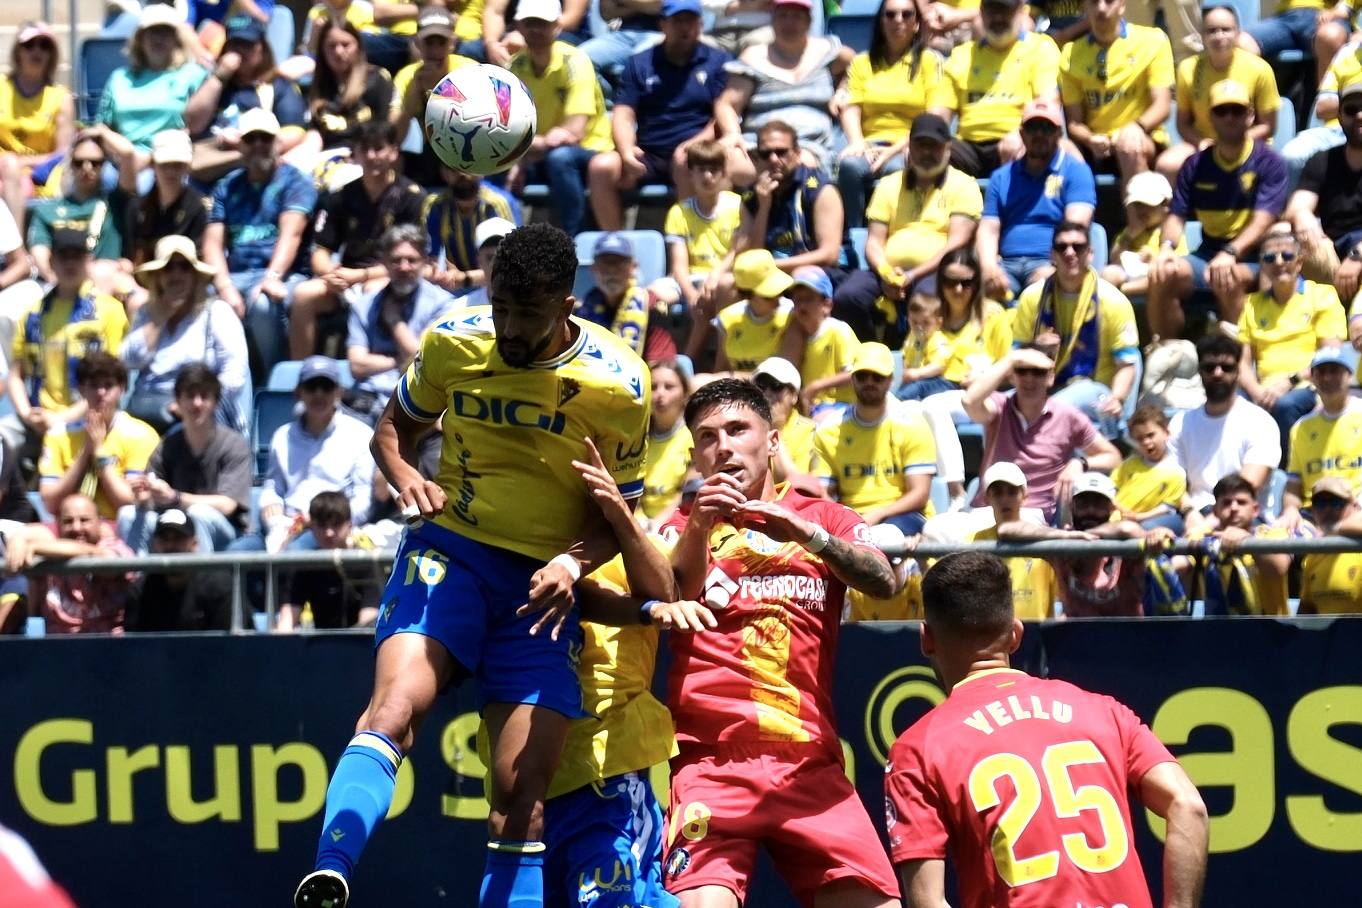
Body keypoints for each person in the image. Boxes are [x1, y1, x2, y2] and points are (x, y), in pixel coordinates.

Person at [294, 224, 651, 908]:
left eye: (528, 313)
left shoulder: (620, 384)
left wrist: (573, 564)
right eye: (500, 307)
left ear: (566, 306)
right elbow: (393, 430)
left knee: (520, 800)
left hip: (540, 586)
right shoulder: (453, 340)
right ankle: (331, 870)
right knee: (392, 711)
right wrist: (407, 478)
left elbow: (620, 515)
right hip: (449, 552)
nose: (509, 327)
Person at [659, 378, 901, 908]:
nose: (723, 447)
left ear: (772, 441)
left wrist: (808, 535)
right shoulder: (677, 527)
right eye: (707, 437)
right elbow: (662, 594)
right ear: (696, 456)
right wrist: (699, 525)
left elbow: (885, 581)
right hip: (711, 764)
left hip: (807, 763)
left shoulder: (825, 518)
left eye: (738, 430)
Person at [884, 550, 1208, 907]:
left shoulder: (918, 748)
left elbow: (928, 902)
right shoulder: (1104, 711)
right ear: (1015, 634)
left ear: (926, 639)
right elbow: (1188, 805)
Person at [1147, 80, 1288, 340]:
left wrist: (1230, 252)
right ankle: (1169, 350)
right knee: (1162, 273)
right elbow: (1176, 215)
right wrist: (1166, 248)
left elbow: (1264, 220)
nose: (1229, 117)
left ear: (1250, 115)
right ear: (1211, 117)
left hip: (1253, 257)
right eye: (1221, 111)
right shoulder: (1195, 165)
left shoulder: (1270, 163)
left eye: (1237, 110)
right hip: (1207, 254)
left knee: (1227, 276)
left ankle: (1238, 352)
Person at [587, 0, 731, 232]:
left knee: (685, 161)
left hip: (694, 150)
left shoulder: (718, 62)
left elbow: (722, 114)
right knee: (601, 166)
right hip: (649, 152)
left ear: (700, 25)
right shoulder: (640, 63)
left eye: (690, 21)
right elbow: (623, 113)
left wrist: (696, 144)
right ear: (663, 24)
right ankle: (615, 242)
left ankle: (690, 240)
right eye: (677, 21)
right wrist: (626, 150)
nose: (684, 27)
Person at [838, 113, 981, 344]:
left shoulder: (964, 185)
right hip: (889, 271)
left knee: (927, 301)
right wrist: (886, 273)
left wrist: (912, 275)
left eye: (933, 146)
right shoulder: (889, 184)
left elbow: (957, 244)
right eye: (920, 145)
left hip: (938, 271)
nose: (926, 152)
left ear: (948, 148)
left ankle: (922, 357)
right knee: (848, 296)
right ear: (909, 147)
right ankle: (870, 351)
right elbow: (873, 241)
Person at [289, 120, 426, 360]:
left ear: (393, 152)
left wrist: (360, 276)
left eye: (379, 148)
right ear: (356, 153)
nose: (372, 156)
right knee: (303, 294)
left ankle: (370, 367)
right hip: (345, 276)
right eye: (365, 149)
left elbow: (413, 258)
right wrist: (331, 274)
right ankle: (303, 372)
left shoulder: (411, 197)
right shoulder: (341, 196)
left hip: (389, 275)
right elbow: (321, 251)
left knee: (373, 293)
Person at [201, 107, 318, 379]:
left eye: (265, 138)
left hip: (284, 274)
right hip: (236, 274)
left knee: (263, 304)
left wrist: (271, 276)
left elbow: (291, 234)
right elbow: (212, 243)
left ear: (277, 142)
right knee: (203, 300)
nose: (258, 146)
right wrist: (224, 286)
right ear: (240, 145)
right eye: (250, 139)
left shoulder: (296, 181)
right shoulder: (227, 186)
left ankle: (273, 381)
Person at [3, 229, 127, 461]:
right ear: (51, 262)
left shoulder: (109, 310)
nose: (70, 263)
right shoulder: (32, 314)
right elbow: (16, 375)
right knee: (3, 435)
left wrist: (61, 418)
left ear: (88, 261)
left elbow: (111, 381)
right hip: (39, 419)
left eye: (76, 256)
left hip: (90, 417)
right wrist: (28, 414)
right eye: (63, 256)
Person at [1010, 220, 1140, 436]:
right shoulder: (1032, 297)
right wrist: (1036, 349)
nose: (1069, 253)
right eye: (1061, 247)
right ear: (1052, 254)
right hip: (1041, 384)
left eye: (1078, 247)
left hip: (1095, 389)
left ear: (1090, 253)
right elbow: (1015, 356)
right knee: (997, 409)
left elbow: (1127, 363)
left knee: (1053, 407)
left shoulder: (1113, 301)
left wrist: (1116, 398)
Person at [963, 346, 1121, 521]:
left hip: (1033, 514)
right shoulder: (999, 407)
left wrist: (1080, 463)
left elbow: (1113, 457)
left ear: (1050, 378)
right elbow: (969, 401)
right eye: (1022, 371)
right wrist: (1012, 358)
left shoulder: (1068, 416)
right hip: (986, 509)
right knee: (941, 529)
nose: (1029, 378)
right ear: (1012, 376)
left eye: (1038, 372)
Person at [239, 356, 375, 557]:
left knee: (293, 553)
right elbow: (273, 486)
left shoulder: (360, 435)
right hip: (285, 524)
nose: (318, 394)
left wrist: (322, 519)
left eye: (326, 387)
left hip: (329, 530)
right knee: (236, 554)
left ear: (338, 392)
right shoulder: (282, 436)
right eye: (312, 387)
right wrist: (270, 504)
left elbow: (363, 499)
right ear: (298, 392)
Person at [1236, 223, 1347, 458]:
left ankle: (1288, 470)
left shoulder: (1322, 296)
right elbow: (1242, 362)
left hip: (1308, 385)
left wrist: (1289, 381)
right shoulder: (1251, 305)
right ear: (1262, 265)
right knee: (1231, 403)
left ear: (1299, 261)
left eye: (1286, 256)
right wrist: (1257, 391)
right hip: (1264, 388)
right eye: (1270, 258)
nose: (1278, 262)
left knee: (1285, 405)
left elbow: (1330, 356)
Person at [120, 235, 251, 433]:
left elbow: (234, 374)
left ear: (195, 275)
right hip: (148, 408)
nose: (176, 274)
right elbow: (128, 360)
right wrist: (158, 320)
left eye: (184, 267)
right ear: (158, 276)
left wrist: (193, 403)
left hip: (204, 411)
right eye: (168, 268)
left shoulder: (217, 312)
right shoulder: (147, 313)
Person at [118, 364, 253, 554]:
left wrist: (175, 498)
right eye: (190, 396)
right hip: (174, 520)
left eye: (204, 396)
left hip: (226, 528)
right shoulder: (167, 444)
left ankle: (198, 574)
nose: (197, 403)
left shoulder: (233, 444)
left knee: (198, 513)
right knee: (128, 515)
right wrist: (144, 498)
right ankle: (137, 573)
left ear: (215, 402)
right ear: (177, 402)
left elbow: (227, 505)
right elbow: (153, 495)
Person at [838, 0, 951, 225]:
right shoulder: (862, 62)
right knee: (849, 166)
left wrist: (896, 149)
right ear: (881, 22)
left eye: (906, 14)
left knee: (896, 168)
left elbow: (935, 117)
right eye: (890, 15)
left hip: (910, 145)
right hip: (870, 145)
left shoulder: (930, 61)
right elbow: (850, 107)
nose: (898, 20)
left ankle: (895, 229)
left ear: (917, 24)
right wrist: (857, 142)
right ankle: (853, 232)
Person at [715, 0, 851, 185]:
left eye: (797, 16)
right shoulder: (754, 57)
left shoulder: (828, 51)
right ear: (772, 20)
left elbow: (857, 66)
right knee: (731, 165)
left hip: (808, 145)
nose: (789, 22)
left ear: (809, 21)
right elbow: (727, 104)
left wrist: (842, 91)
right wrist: (732, 133)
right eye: (783, 16)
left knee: (802, 169)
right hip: (757, 145)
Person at [508, 0, 613, 237]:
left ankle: (574, 239)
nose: (535, 29)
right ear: (519, 26)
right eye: (530, 23)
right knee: (493, 162)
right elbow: (505, 131)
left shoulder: (575, 61)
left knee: (561, 158)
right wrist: (520, 156)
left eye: (542, 23)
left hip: (589, 149)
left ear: (557, 26)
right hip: (536, 153)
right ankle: (503, 240)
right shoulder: (515, 67)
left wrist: (523, 148)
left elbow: (574, 132)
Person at [977, 100, 1097, 298]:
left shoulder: (1077, 171)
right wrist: (989, 267)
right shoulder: (1001, 177)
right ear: (1022, 134)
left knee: (1041, 293)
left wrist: (1056, 267)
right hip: (1006, 264)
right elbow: (989, 228)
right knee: (978, 291)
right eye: (1033, 128)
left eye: (1046, 128)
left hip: (1050, 262)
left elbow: (1076, 226)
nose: (1039, 134)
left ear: (1059, 134)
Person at [814, 342, 938, 534]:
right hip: (849, 519)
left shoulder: (912, 424)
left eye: (878, 377)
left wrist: (877, 515)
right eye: (862, 376)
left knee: (886, 536)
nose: (869, 382)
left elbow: (919, 494)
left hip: (905, 515)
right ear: (852, 379)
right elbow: (822, 494)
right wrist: (847, 520)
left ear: (890, 380)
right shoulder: (829, 429)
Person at [1155, 4, 1279, 186]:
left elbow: (1268, 126)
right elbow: (1183, 124)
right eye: (1212, 31)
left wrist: (1230, 145)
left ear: (1238, 33)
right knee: (1167, 165)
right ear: (1202, 36)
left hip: (1247, 142)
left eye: (1226, 30)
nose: (1219, 36)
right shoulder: (1188, 69)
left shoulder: (1260, 69)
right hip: (1204, 143)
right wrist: (1202, 143)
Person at [1167, 333, 1280, 523]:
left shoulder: (1260, 421)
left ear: (1237, 372)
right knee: (1147, 531)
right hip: (1192, 513)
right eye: (1209, 367)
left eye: (1226, 367)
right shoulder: (1180, 423)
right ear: (1200, 372)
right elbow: (1172, 480)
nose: (1217, 373)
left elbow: (1248, 486)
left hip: (1241, 515)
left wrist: (1212, 522)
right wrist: (1189, 512)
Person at [346, 225, 454, 423]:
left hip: (417, 398)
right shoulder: (363, 306)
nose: (404, 267)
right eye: (396, 260)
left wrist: (395, 322)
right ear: (384, 263)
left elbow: (423, 360)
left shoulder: (442, 304)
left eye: (412, 260)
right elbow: (357, 365)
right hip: (367, 400)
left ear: (425, 261)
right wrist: (399, 361)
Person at [944, 0, 1063, 178]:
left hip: (1019, 140)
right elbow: (938, 115)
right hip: (968, 146)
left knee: (1035, 146)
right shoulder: (961, 55)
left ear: (1021, 11)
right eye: (992, 11)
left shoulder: (1040, 48)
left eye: (1005, 11)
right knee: (929, 151)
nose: (998, 18)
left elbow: (1047, 104)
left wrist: (1021, 134)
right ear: (981, 13)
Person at [1059, 0, 1174, 185]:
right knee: (1059, 150)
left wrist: (1137, 127)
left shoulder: (1152, 41)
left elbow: (1162, 106)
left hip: (1142, 137)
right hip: (1096, 145)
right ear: (1085, 7)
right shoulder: (1070, 54)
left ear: (1122, 5)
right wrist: (1090, 139)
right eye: (1094, 2)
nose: (1101, 8)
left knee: (1129, 146)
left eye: (1109, 1)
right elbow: (1074, 123)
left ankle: (1137, 205)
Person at [37, 352, 159, 521]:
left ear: (122, 388)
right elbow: (50, 503)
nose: (101, 392)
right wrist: (86, 451)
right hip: (69, 526)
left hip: (117, 526)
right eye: (93, 385)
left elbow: (129, 502)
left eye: (108, 385)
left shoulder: (141, 435)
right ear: (81, 389)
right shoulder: (58, 434)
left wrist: (100, 453)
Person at [729, 121, 854, 285]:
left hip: (820, 274)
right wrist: (763, 208)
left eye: (781, 152)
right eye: (766, 154)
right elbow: (752, 254)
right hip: (769, 277)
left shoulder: (821, 190)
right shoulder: (752, 196)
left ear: (797, 153)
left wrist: (770, 266)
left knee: (801, 279)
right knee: (726, 284)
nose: (774, 159)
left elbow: (829, 255)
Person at [183, 16, 307, 180]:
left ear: (262, 48)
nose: (240, 51)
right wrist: (219, 77)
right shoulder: (212, 82)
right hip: (205, 168)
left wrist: (248, 144)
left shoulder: (278, 86)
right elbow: (193, 124)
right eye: (234, 45)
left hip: (248, 172)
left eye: (247, 45)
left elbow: (295, 133)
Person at [96, 4, 208, 169]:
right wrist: (126, 156)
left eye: (165, 32)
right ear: (140, 39)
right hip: (121, 162)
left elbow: (196, 127)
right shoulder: (119, 78)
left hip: (172, 162)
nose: (159, 39)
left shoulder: (193, 74)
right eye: (153, 32)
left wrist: (153, 158)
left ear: (176, 39)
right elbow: (102, 127)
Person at [8, 492, 137, 634]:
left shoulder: (115, 547)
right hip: (57, 644)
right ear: (58, 525)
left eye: (84, 520)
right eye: (68, 521)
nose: (76, 528)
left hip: (107, 643)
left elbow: (107, 561)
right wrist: (18, 539)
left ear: (99, 523)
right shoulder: (48, 554)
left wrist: (35, 547)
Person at [26, 131, 133, 298]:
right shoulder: (48, 210)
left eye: (95, 163)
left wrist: (100, 130)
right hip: (59, 282)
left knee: (103, 273)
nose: (87, 168)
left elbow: (127, 153)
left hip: (106, 279)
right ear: (70, 165)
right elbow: (40, 250)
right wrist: (60, 282)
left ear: (104, 165)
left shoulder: (115, 201)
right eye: (79, 163)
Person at [963, 461, 1074, 620]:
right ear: (987, 498)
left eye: (1012, 492)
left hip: (1037, 632)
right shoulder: (973, 543)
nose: (1005, 499)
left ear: (1024, 496)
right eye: (998, 493)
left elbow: (1061, 597)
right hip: (992, 631)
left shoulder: (1045, 544)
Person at [1287, 78, 1362, 307]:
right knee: (1283, 236)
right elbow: (1298, 206)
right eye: (1351, 110)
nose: (1359, 116)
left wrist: (1358, 255)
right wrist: (1303, 216)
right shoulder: (1323, 160)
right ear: (1339, 117)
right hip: (1331, 248)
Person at [1176, 472, 1290, 615]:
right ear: (1215, 511)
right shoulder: (1203, 536)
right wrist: (1160, 542)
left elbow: (1279, 567)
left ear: (1255, 509)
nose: (1234, 508)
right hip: (1216, 627)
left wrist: (1248, 541)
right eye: (1226, 503)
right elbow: (1176, 565)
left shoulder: (1272, 534)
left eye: (1241, 502)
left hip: (1271, 626)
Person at [389, 6, 478, 187]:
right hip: (430, 153)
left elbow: (481, 124)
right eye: (429, 42)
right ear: (417, 43)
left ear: (452, 43)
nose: (435, 50)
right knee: (392, 157)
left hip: (470, 147)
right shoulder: (407, 77)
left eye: (441, 42)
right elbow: (394, 136)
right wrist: (416, 90)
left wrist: (442, 91)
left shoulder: (470, 71)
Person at [1277, 347, 1362, 533]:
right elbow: (1294, 484)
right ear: (1313, 378)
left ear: (1349, 376)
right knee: (1274, 539)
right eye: (1321, 372)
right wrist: (1290, 509)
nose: (1328, 377)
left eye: (1334, 371)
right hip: (1315, 512)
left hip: (1356, 508)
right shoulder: (1301, 428)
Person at [0, 21, 75, 225]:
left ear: (52, 54)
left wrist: (21, 163)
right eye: (30, 45)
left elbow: (63, 152)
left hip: (38, 173)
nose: (37, 51)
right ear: (18, 51)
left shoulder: (60, 98)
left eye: (45, 46)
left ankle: (16, 242)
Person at [665, 141, 743, 335]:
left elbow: (737, 251)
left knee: (724, 288)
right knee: (651, 296)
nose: (707, 176)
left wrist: (716, 275)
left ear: (724, 173)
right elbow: (679, 266)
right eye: (701, 170)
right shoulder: (678, 212)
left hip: (724, 277)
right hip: (691, 278)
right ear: (691, 172)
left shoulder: (738, 206)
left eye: (714, 170)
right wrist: (690, 294)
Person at [278, 491, 382, 631]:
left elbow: (368, 625)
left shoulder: (366, 563)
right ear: (311, 526)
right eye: (322, 525)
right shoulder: (304, 566)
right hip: (320, 643)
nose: (329, 533)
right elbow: (286, 624)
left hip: (358, 642)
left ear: (349, 525)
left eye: (336, 525)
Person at [123, 508, 235, 632]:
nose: (170, 546)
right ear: (154, 544)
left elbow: (232, 641)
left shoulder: (219, 586)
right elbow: (134, 641)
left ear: (194, 543)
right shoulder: (140, 590)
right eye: (164, 539)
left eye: (178, 538)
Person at [575, 232, 679, 364]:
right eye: (605, 264)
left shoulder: (650, 305)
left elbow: (662, 366)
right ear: (593, 269)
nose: (612, 271)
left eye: (619, 264)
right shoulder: (579, 311)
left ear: (633, 267)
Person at [425, 167, 522, 298]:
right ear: (444, 173)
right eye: (454, 169)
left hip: (495, 288)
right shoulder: (434, 205)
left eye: (469, 168)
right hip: (450, 288)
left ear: (482, 171)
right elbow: (428, 260)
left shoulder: (498, 203)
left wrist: (464, 278)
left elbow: (514, 265)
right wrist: (439, 274)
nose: (463, 174)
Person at [120, 130, 209, 268]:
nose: (170, 172)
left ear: (187, 167)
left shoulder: (198, 208)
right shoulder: (137, 207)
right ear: (152, 165)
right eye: (164, 165)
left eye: (177, 165)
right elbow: (129, 256)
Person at [777, 265, 860, 412]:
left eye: (809, 299)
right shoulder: (799, 336)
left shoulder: (837, 330)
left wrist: (817, 386)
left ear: (827, 305)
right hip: (813, 406)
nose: (802, 305)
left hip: (841, 405)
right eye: (797, 300)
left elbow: (854, 373)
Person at [306, 20, 394, 155]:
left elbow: (385, 128)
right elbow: (313, 135)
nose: (338, 51)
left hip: (366, 156)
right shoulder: (318, 86)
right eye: (331, 46)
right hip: (325, 157)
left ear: (358, 47)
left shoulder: (376, 80)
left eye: (346, 45)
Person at [1101, 170, 1186, 297]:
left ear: (1166, 204)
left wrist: (1152, 258)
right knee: (1108, 273)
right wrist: (1129, 236)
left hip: (1154, 275)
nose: (1143, 210)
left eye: (1149, 205)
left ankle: (1123, 291)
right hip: (1128, 274)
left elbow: (1178, 262)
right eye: (1138, 205)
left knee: (1164, 277)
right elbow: (1114, 258)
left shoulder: (1171, 231)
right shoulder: (1131, 230)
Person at [713, 249, 793, 374]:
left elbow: (787, 373)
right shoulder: (727, 318)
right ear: (748, 295)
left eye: (780, 292)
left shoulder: (790, 314)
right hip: (737, 384)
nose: (777, 298)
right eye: (768, 296)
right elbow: (721, 370)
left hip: (774, 384)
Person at [1239, 0, 1349, 89]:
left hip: (1325, 15)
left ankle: (1328, 104)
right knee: (1240, 41)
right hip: (1285, 17)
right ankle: (1254, 104)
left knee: (1330, 36)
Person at [1113, 404, 1187, 533]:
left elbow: (1168, 507)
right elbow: (1111, 488)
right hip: (1117, 518)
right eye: (1139, 438)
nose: (1146, 442)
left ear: (1166, 432)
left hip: (1146, 524)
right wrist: (1117, 508)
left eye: (1150, 435)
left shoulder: (1176, 473)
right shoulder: (1129, 464)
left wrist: (1139, 517)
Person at [752, 356, 821, 491]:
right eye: (761, 386)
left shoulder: (812, 432)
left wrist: (773, 429)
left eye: (776, 386)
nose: (767, 393)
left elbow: (798, 485)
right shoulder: (744, 432)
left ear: (794, 395)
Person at [641, 360, 693, 528]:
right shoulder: (636, 437)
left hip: (677, 523)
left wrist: (655, 525)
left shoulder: (694, 437)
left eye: (669, 387)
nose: (660, 394)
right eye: (653, 387)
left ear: (685, 394)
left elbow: (688, 493)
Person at [1299, 476, 1362, 614]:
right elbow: (1306, 612)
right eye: (1320, 503)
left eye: (1336, 503)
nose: (1327, 509)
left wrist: (1336, 528)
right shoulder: (1312, 557)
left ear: (1355, 507)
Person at [458, 218, 514, 308]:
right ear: (479, 261)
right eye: (490, 258)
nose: (496, 264)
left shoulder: (535, 306)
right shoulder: (461, 309)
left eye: (504, 256)